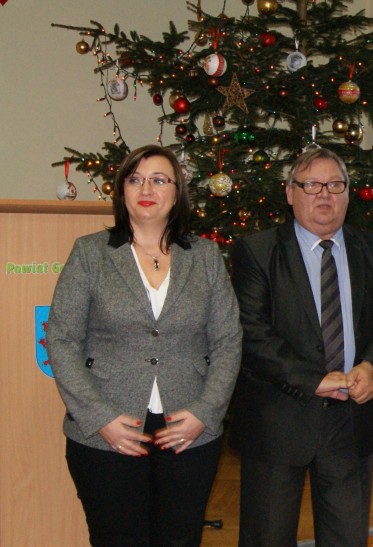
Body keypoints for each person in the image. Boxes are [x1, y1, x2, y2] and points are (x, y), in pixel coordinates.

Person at [47, 144, 243, 546]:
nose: (146, 189)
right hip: (107, 433)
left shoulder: (205, 256)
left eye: (158, 179)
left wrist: (206, 412)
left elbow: (227, 339)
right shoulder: (90, 253)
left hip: (188, 431)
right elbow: (62, 339)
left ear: (176, 191)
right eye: (135, 179)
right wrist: (100, 418)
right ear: (122, 191)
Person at [229, 147, 373, 546]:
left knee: (347, 538)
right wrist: (314, 380)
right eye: (311, 185)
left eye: (335, 185)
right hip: (278, 420)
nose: (324, 194)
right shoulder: (257, 251)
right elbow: (251, 333)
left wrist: (372, 366)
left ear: (348, 193)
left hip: (350, 420)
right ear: (290, 193)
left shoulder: (370, 248)